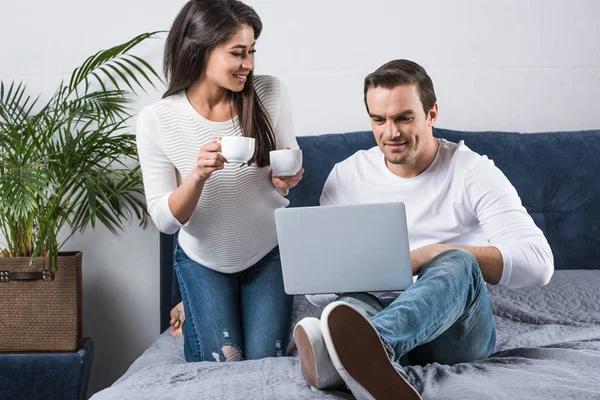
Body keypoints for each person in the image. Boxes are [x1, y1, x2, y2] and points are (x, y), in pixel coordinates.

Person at [293, 59, 554, 399]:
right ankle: (362, 355)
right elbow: (318, 293)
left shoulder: (471, 171)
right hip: (376, 309)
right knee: (348, 304)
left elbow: (539, 263)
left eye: (404, 117)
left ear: (432, 114)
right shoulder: (348, 174)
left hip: (453, 336)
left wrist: (432, 253)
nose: (392, 132)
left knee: (458, 262)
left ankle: (359, 350)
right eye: (379, 120)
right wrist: (365, 270)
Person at [136, 0, 303, 362]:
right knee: (225, 359)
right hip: (203, 260)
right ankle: (192, 305)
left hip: (269, 252)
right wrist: (197, 174)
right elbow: (165, 220)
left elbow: (289, 158)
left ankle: (193, 310)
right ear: (200, 50)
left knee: (265, 361)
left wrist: (286, 178)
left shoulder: (270, 93)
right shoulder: (157, 120)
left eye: (253, 51)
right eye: (238, 53)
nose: (250, 64)